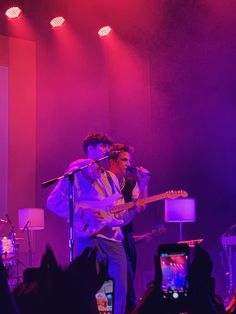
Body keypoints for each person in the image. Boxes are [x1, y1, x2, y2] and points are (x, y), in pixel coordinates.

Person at [46, 132, 139, 314]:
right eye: (102, 146)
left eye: (107, 146)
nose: (106, 150)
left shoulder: (111, 178)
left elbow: (119, 214)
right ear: (90, 149)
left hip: (113, 238)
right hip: (88, 236)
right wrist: (82, 213)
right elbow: (53, 201)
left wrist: (132, 211)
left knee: (120, 285)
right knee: (95, 286)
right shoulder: (75, 173)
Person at [108, 143, 150, 313]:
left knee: (128, 283)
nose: (128, 163)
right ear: (112, 161)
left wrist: (145, 182)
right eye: (124, 160)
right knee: (107, 284)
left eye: (129, 160)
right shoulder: (103, 180)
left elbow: (141, 206)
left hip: (126, 236)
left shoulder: (130, 182)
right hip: (107, 235)